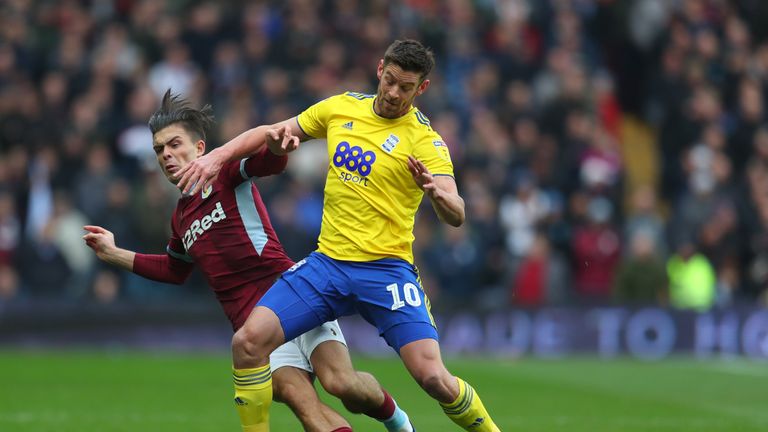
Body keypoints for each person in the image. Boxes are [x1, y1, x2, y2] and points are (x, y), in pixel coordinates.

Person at [177, 39, 501, 431]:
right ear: (380, 69)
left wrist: (436, 194)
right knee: (247, 343)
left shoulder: (426, 141)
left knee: (433, 377)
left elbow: (458, 212)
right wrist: (217, 156)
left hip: (387, 272)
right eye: (392, 81)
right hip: (327, 266)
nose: (395, 93)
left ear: (422, 89)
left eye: (407, 88)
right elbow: (272, 131)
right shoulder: (341, 107)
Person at [83, 90, 415, 432]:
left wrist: (276, 147)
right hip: (254, 328)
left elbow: (270, 162)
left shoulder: (226, 173)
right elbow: (173, 270)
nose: (166, 154)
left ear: (199, 148)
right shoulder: (181, 218)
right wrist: (113, 253)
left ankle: (398, 421)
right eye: (159, 150)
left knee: (342, 384)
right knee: (302, 402)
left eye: (174, 144)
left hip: (295, 293)